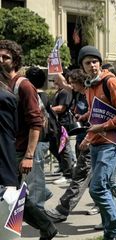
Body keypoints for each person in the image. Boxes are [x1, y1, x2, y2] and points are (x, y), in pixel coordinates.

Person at [0, 39, 57, 240]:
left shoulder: (24, 86)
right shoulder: (3, 84)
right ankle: (46, 226)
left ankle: (44, 226)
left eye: (5, 57)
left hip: (19, 151)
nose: (0, 60)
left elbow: (36, 122)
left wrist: (29, 156)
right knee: (11, 194)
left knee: (10, 195)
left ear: (15, 60)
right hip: (6, 149)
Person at [77, 45, 116, 240]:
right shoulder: (90, 86)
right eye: (87, 62)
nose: (92, 65)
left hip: (112, 143)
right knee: (103, 187)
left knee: (98, 188)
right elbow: (96, 117)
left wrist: (102, 128)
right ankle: (111, 233)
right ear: (82, 66)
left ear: (100, 63)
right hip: (96, 143)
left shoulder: (111, 82)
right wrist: (87, 137)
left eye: (95, 61)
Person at [45, 69, 93, 223]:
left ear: (80, 81)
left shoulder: (91, 92)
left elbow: (98, 114)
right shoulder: (76, 93)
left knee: (80, 175)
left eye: (73, 82)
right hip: (82, 136)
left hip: (93, 139)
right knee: (98, 180)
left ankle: (62, 209)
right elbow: (65, 86)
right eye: (69, 82)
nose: (70, 85)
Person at [25, 66, 53, 209]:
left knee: (35, 175)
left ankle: (38, 210)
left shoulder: (34, 96)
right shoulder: (43, 96)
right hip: (42, 139)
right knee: (34, 174)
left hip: (37, 140)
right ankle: (44, 193)